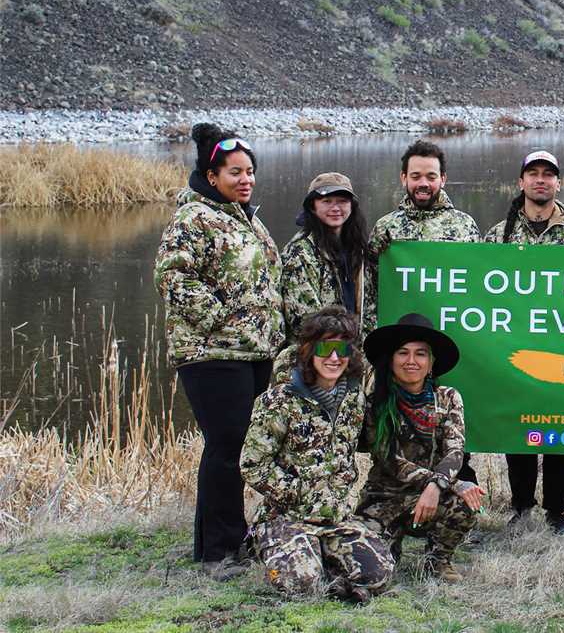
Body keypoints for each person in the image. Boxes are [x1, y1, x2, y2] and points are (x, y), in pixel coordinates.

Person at [154, 123, 283, 578]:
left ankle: (219, 539)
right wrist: (225, 322)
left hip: (253, 352)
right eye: (235, 173)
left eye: (249, 172)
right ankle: (218, 553)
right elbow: (173, 278)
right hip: (213, 354)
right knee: (226, 446)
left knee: (237, 446)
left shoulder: (246, 218)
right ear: (212, 176)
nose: (245, 180)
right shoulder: (193, 219)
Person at [239, 307, 393, 602]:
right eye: (326, 348)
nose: (334, 358)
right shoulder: (279, 401)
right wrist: (299, 493)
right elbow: (252, 464)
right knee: (302, 586)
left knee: (379, 574)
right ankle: (274, 547)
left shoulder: (353, 398)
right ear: (309, 350)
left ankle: (323, 562)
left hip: (335, 518)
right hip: (286, 517)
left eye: (343, 349)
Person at [483, 150, 564, 536]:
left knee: (560, 429)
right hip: (517, 349)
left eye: (548, 174)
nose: (540, 180)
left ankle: (557, 511)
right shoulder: (500, 234)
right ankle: (521, 506)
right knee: (521, 428)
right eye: (533, 174)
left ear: (558, 183)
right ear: (521, 182)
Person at [366, 140, 482, 485]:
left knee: (450, 417)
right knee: (400, 423)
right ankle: (401, 489)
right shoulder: (386, 228)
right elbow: (373, 288)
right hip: (405, 349)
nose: (423, 183)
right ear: (404, 178)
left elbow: (479, 287)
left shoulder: (465, 227)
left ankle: (456, 481)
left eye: (430, 176)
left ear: (443, 179)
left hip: (450, 341)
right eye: (416, 176)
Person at [354, 313, 485, 582]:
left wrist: (438, 487)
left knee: (465, 502)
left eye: (420, 354)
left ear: (431, 363)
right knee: (374, 568)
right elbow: (389, 459)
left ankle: (438, 561)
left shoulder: (448, 397)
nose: (411, 361)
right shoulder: (374, 401)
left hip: (432, 495)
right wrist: (439, 482)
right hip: (383, 498)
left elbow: (455, 451)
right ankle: (390, 545)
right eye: (403, 353)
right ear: (391, 359)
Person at [279, 172, 373, 347]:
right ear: (313, 206)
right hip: (316, 355)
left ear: (352, 206)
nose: (335, 208)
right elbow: (303, 320)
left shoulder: (357, 249)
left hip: (351, 354)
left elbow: (368, 307)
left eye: (342, 201)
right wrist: (339, 347)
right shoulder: (300, 252)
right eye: (327, 201)